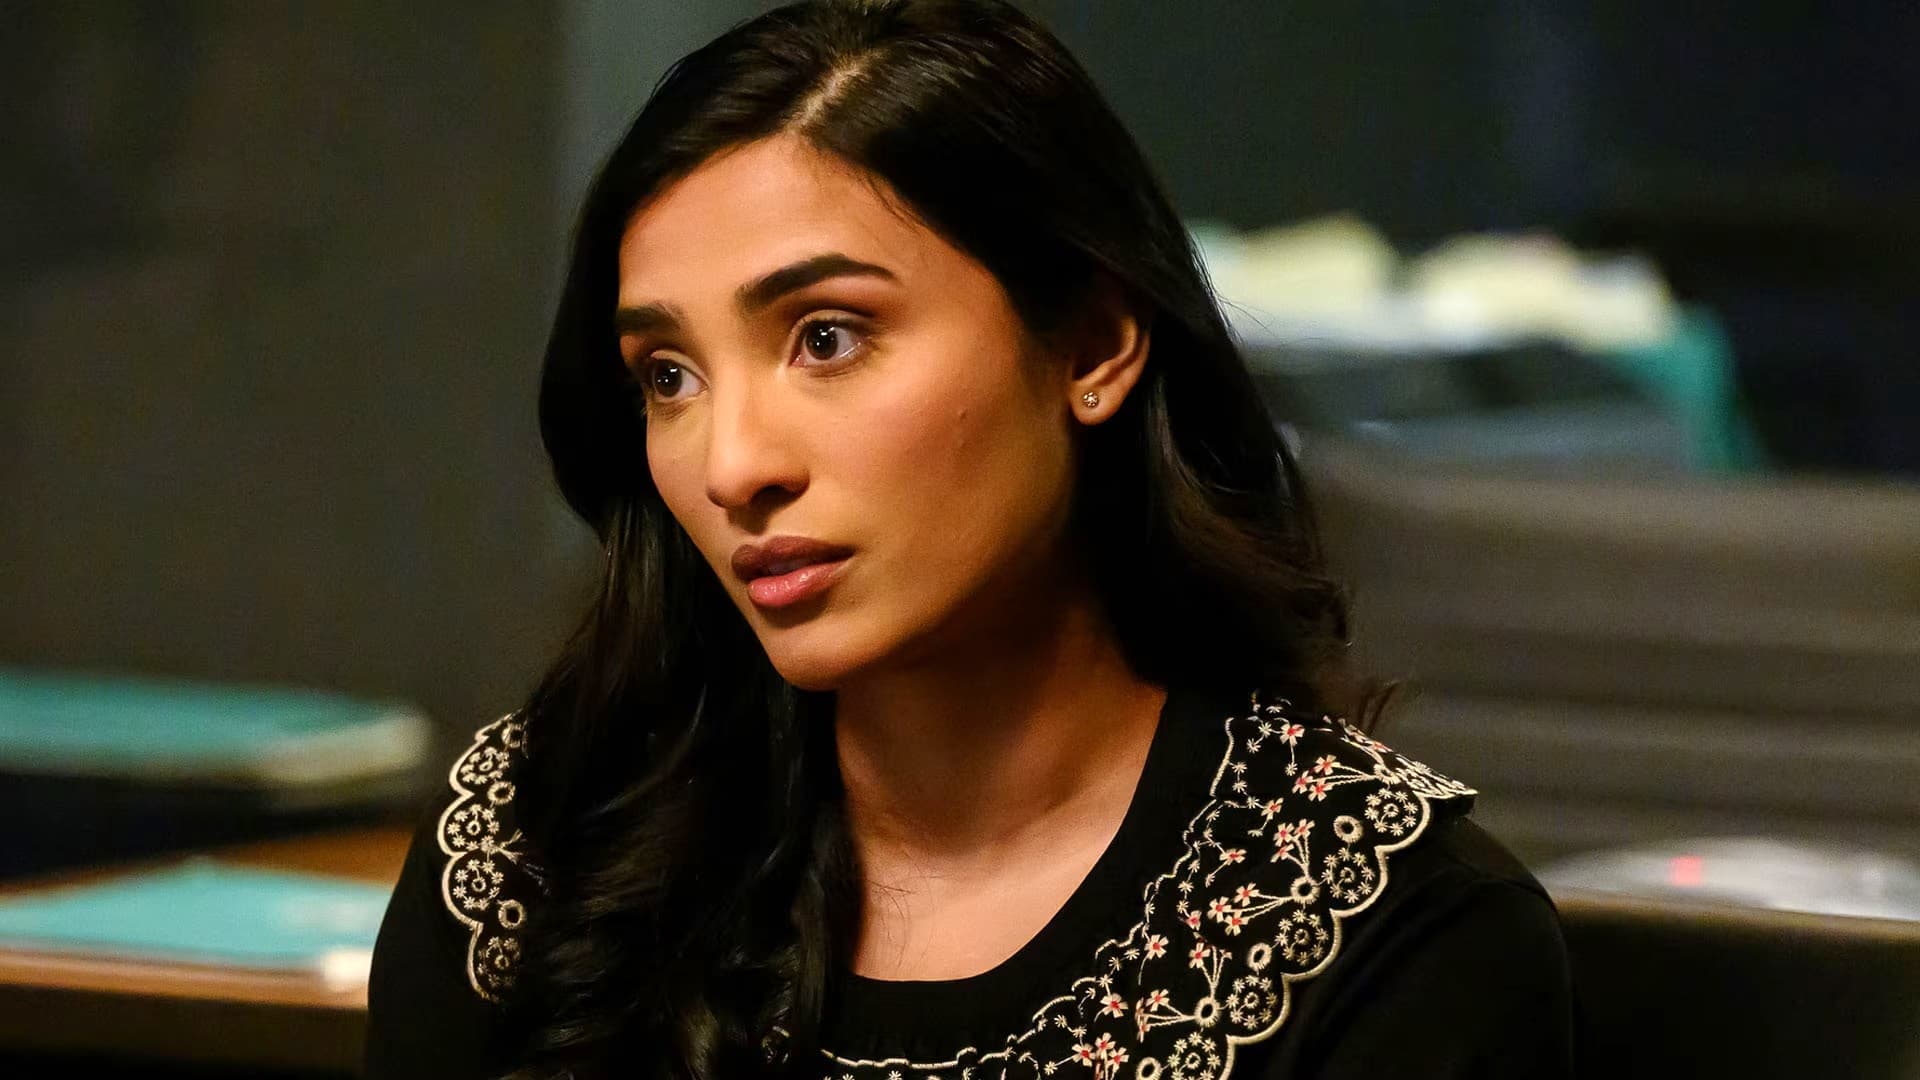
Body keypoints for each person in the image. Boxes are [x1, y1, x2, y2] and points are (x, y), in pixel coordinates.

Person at [364, 2, 1577, 1077]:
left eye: (827, 338)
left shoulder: (1385, 929)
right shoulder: (539, 852)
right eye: (669, 375)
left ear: (1093, 344)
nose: (733, 467)